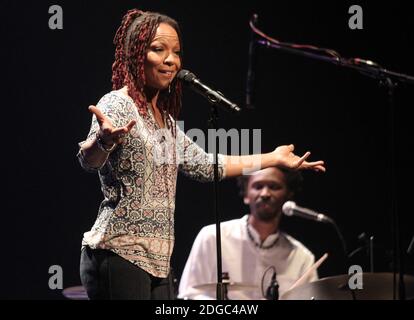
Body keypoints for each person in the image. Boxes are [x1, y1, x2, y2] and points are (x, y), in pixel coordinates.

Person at [77, 8, 325, 300]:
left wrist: (272, 157)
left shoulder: (165, 121)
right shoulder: (118, 104)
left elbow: (205, 166)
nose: (171, 60)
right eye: (159, 50)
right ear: (135, 54)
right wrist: (103, 142)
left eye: (176, 52)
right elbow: (87, 160)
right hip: (117, 253)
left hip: (158, 263)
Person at [178, 167, 318, 300]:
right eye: (258, 186)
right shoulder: (213, 237)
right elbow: (189, 294)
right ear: (246, 195)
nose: (265, 194)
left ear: (288, 195)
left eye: (274, 187)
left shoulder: (302, 257)